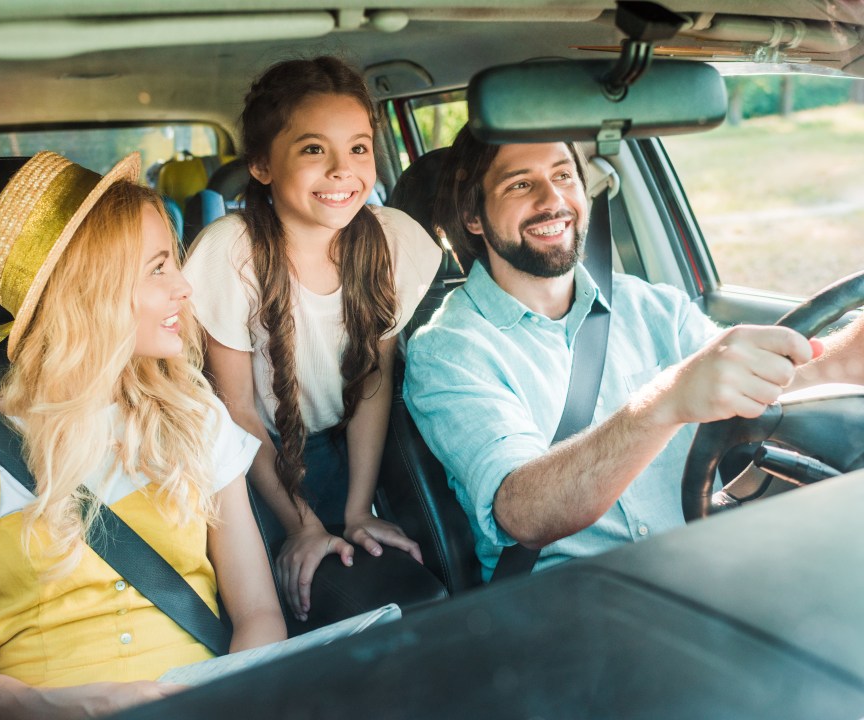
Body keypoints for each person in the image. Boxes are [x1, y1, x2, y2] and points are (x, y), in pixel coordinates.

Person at [0, 151, 286, 718]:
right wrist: (70, 706)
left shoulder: (195, 417)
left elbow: (259, 615)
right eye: (159, 268)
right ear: (88, 293)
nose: (184, 288)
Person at [404, 127, 864, 581]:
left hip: (713, 561)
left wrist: (854, 347)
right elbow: (523, 514)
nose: (552, 200)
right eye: (520, 184)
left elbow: (772, 382)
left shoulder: (651, 305)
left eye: (564, 176)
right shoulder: (448, 351)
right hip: (577, 597)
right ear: (474, 217)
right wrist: (666, 400)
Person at [184, 56, 443, 622]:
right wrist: (301, 523)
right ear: (260, 165)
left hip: (347, 451)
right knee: (275, 600)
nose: (342, 170)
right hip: (249, 461)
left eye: (358, 148)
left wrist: (357, 509)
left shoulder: (391, 240)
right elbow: (238, 412)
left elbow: (373, 383)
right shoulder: (230, 253)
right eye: (312, 149)